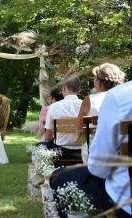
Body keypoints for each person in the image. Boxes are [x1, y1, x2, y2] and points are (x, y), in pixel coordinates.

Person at [50, 80, 131, 217]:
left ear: (98, 82)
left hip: (125, 198)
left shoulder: (119, 97)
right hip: (83, 153)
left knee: (58, 177)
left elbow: (100, 168)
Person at [76, 63, 125, 163]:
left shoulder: (89, 100)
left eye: (94, 78)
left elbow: (78, 130)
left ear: (98, 82)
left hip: (94, 154)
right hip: (122, 153)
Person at [38, 77, 83, 162]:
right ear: (79, 90)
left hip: (60, 151)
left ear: (64, 88)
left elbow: (48, 136)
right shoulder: (87, 106)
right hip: (82, 151)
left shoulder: (54, 107)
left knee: (39, 146)